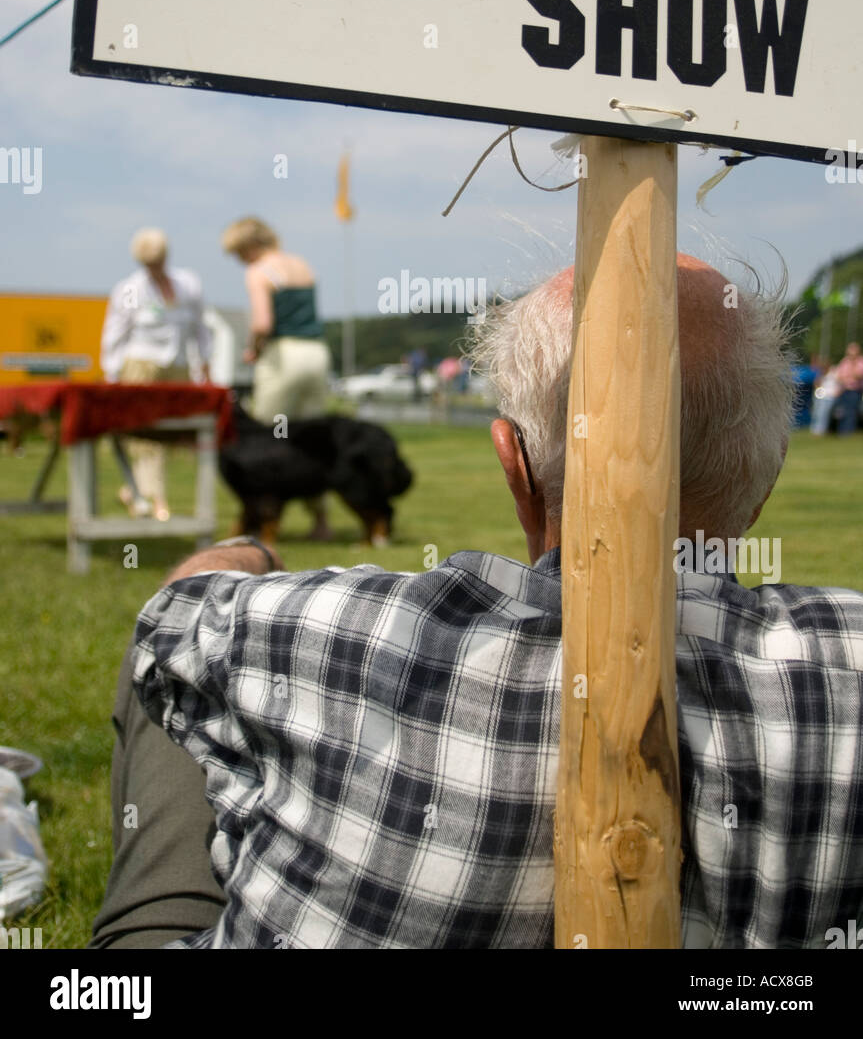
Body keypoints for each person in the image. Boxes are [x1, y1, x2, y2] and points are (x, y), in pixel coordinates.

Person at [89, 255, 863, 950]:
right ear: (763, 479)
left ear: (512, 465)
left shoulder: (320, 632)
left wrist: (245, 556)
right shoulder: (848, 659)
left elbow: (168, 621)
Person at [221, 216, 332, 538]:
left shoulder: (258, 272)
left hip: (283, 357)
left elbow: (261, 324)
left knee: (263, 442)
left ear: (250, 246)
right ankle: (321, 521)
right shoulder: (302, 264)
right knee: (313, 443)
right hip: (316, 353)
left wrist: (252, 350)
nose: (238, 260)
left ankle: (259, 520)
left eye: (238, 252)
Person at [100, 229, 211, 521]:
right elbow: (114, 334)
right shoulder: (129, 289)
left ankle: (135, 490)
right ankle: (154, 499)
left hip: (178, 368)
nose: (155, 267)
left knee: (173, 435)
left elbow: (200, 327)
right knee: (146, 437)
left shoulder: (189, 283)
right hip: (141, 369)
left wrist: (205, 364)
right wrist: (112, 376)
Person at [833, 340, 863, 434]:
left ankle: (849, 430)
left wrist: (850, 373)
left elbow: (858, 375)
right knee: (843, 410)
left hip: (855, 390)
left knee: (851, 410)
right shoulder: (845, 361)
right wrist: (849, 376)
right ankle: (842, 430)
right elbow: (839, 375)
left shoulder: (860, 361)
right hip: (845, 389)